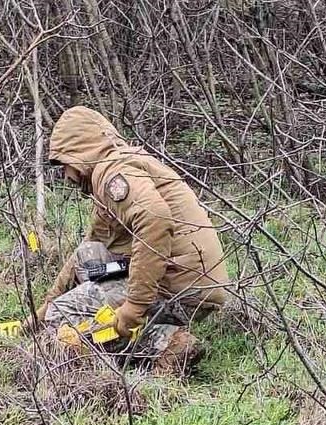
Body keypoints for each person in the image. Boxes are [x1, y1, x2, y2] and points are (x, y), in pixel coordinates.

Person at [28, 106, 229, 374]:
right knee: (89, 259)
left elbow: (155, 220)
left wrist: (134, 306)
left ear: (79, 151)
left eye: (64, 163)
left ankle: (166, 343)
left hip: (180, 289)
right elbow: (87, 251)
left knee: (61, 317)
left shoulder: (113, 173)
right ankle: (150, 326)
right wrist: (42, 311)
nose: (66, 175)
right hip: (189, 280)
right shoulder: (118, 165)